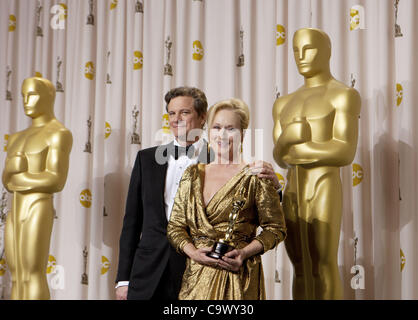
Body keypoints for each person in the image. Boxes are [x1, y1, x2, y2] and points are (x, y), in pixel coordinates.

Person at [115, 88, 281, 300]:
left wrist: (276, 187)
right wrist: (123, 279)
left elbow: (265, 215)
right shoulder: (146, 160)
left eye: (184, 112)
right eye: (171, 113)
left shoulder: (221, 158)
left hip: (200, 270)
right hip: (147, 272)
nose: (176, 119)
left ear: (203, 117)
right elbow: (132, 222)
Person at [167, 98, 287, 300]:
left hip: (238, 281)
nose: (222, 135)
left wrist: (244, 253)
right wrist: (193, 253)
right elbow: (175, 226)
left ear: (243, 133)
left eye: (230, 128)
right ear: (208, 132)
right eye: (217, 127)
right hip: (195, 280)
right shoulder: (192, 174)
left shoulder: (256, 175)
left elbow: (276, 228)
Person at [272, 28, 361, 299]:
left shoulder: (343, 95)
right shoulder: (283, 103)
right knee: (299, 265)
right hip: (293, 189)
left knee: (323, 261)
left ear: (327, 51)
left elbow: (345, 151)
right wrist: (289, 138)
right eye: (296, 51)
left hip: (324, 183)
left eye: (308, 49)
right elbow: (279, 156)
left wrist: (300, 145)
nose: (301, 57)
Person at [2, 77, 73, 300]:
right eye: (23, 95)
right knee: (17, 275)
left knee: (33, 273)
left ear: (48, 97)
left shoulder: (58, 133)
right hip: (16, 208)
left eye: (32, 95)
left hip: (38, 206)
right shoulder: (15, 138)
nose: (26, 101)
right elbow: (6, 180)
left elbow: (55, 180)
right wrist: (12, 174)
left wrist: (19, 177)